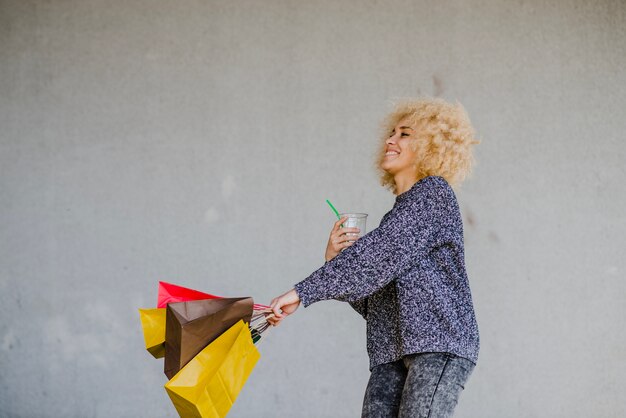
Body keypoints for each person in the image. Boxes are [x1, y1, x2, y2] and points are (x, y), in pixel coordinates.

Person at [268, 97, 481, 418]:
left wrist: (305, 290)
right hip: (391, 351)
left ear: (433, 147)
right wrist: (334, 261)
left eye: (404, 134)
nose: (390, 140)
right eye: (391, 133)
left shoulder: (433, 196)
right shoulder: (400, 214)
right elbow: (375, 304)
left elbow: (379, 253)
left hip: (438, 346)